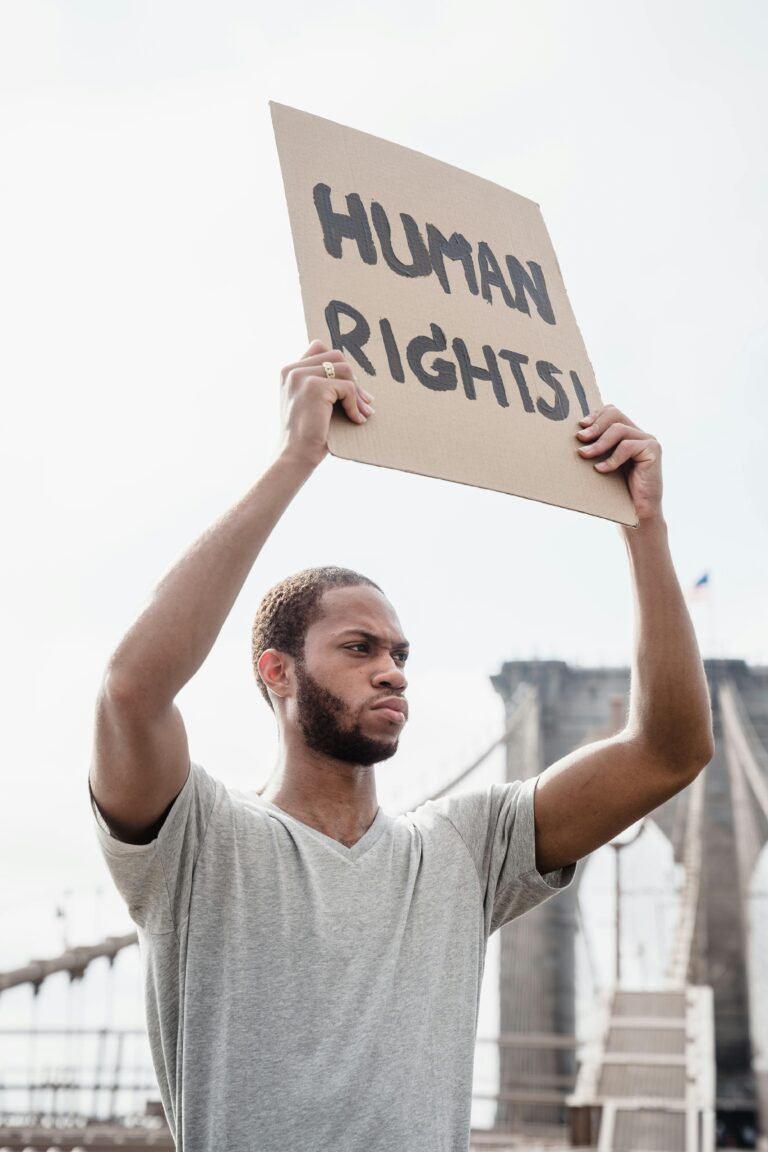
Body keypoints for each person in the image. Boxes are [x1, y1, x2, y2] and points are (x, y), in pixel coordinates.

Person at [89, 340, 713, 1152]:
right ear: (276, 671)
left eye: (400, 655)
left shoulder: (463, 849)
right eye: (359, 649)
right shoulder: (198, 843)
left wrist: (643, 528)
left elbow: (670, 751)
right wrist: (294, 459)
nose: (392, 673)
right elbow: (132, 694)